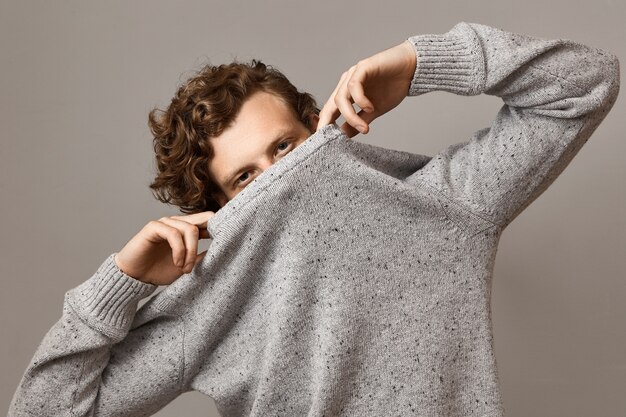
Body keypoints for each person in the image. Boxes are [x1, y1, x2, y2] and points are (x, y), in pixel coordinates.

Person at [8, 21, 619, 416]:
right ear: (217, 208)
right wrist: (119, 285)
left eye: (286, 150)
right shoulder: (209, 299)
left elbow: (585, 83)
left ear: (320, 129)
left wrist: (419, 63)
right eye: (246, 179)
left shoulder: (445, 204)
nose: (278, 184)